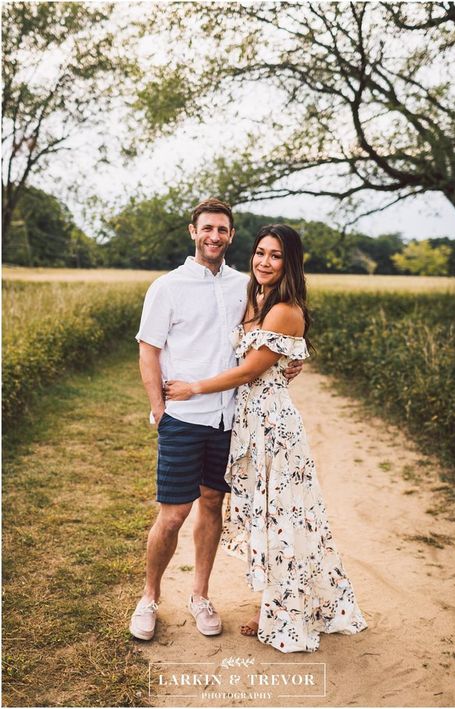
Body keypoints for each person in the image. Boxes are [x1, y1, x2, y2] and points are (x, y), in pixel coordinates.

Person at [166, 223, 368, 653]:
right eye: (260, 253)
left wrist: (193, 387)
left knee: (283, 517)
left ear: (289, 262)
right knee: (267, 515)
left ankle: (282, 609)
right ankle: (273, 602)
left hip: (273, 427)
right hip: (250, 421)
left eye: (275, 256)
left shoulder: (284, 309)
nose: (264, 262)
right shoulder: (256, 298)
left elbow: (249, 370)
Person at [130, 198, 301, 641]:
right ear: (193, 232)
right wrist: (161, 411)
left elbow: (271, 336)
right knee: (172, 515)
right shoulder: (167, 287)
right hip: (184, 419)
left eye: (222, 230)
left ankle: (200, 595)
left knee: (212, 505)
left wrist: (290, 362)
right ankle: (149, 597)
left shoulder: (245, 286)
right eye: (207, 228)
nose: (214, 236)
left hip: (232, 421)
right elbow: (149, 351)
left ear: (230, 235)